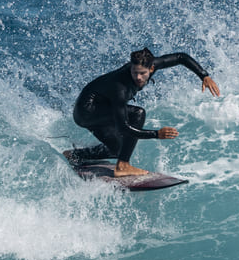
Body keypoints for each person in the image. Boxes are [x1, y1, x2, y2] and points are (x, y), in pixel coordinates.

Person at [67, 47, 221, 177]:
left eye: (142, 73)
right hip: (87, 112)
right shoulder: (120, 88)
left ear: (151, 68)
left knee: (118, 149)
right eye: (134, 72)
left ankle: (75, 155)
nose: (138, 77)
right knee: (138, 113)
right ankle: (123, 166)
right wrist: (156, 134)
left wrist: (204, 75)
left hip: (101, 108)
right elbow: (123, 127)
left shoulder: (153, 65)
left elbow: (181, 57)